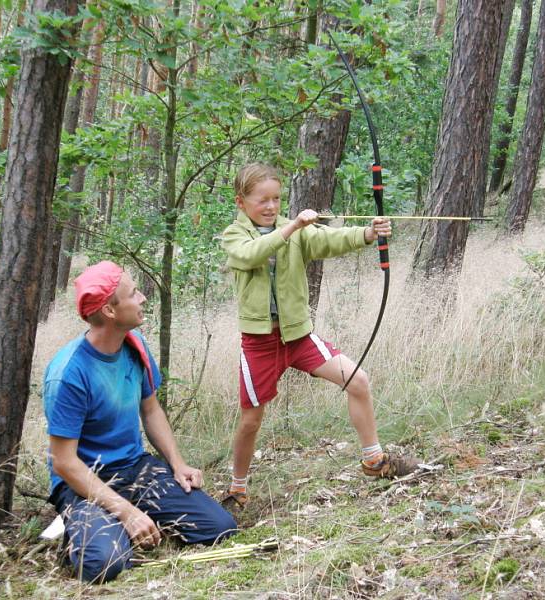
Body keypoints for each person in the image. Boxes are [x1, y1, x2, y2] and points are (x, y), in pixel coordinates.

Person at [220, 163, 419, 509]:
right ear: (241, 202)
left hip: (298, 337)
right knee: (251, 420)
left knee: (357, 381)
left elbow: (329, 240)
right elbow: (252, 254)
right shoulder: (235, 236)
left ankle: (374, 460)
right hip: (260, 345)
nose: (270, 206)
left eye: (276, 199)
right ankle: (237, 490)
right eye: (261, 200)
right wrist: (294, 225)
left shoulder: (296, 231)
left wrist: (368, 234)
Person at [43, 261, 236, 583]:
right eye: (133, 293)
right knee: (106, 564)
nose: (143, 298)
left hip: (135, 468)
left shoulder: (134, 345)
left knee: (219, 528)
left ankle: (121, 518)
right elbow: (63, 463)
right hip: (83, 482)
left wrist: (177, 463)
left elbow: (151, 410)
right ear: (109, 311)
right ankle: (82, 529)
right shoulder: (69, 374)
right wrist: (127, 512)